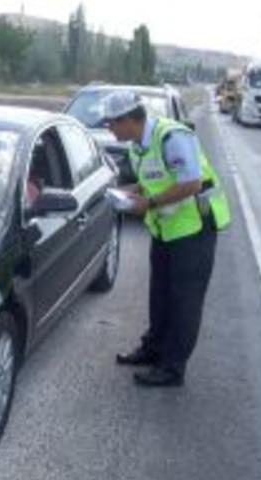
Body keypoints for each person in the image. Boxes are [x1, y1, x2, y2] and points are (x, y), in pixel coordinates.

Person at [104, 91, 231, 387]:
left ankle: (172, 368)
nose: (110, 130)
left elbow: (191, 182)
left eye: (112, 124)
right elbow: (154, 179)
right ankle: (153, 349)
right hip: (166, 228)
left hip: (194, 228)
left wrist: (147, 204)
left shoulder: (172, 137)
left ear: (128, 120)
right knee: (159, 295)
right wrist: (129, 190)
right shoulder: (138, 145)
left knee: (184, 302)